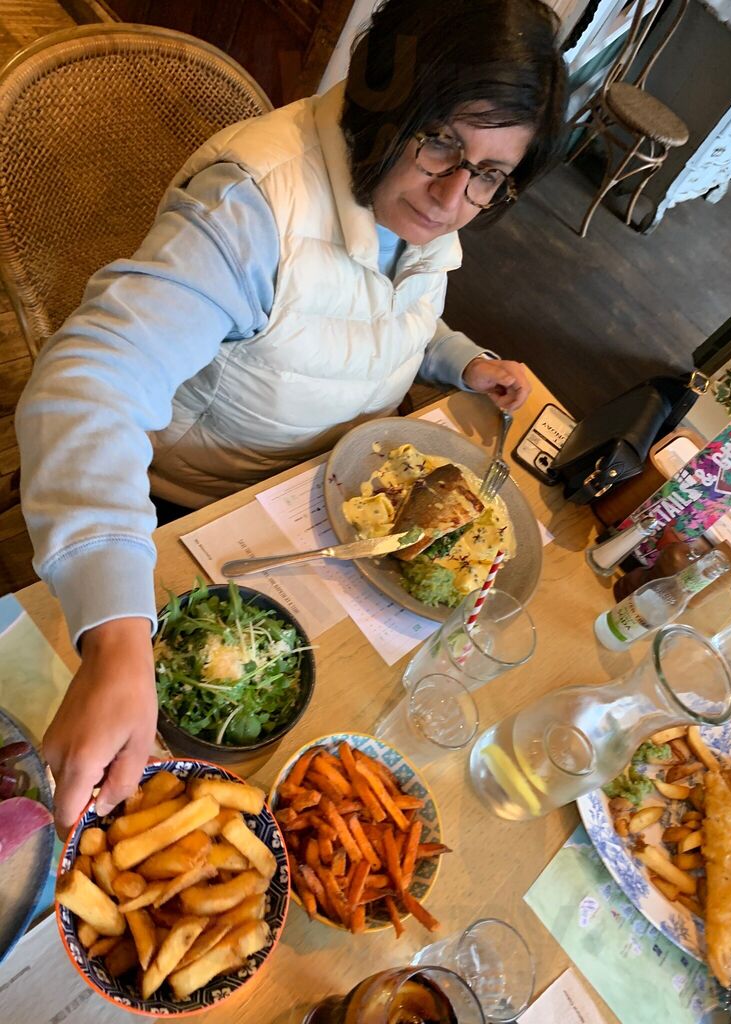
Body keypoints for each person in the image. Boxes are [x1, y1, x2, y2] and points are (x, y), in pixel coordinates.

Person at [16, 0, 566, 833]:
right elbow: (86, 382)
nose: (454, 197)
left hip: (325, 509)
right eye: (441, 143)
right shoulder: (251, 208)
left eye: (490, 175)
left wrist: (459, 360)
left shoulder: (417, 202)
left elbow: (388, 308)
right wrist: (117, 636)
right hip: (191, 513)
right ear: (385, 101)